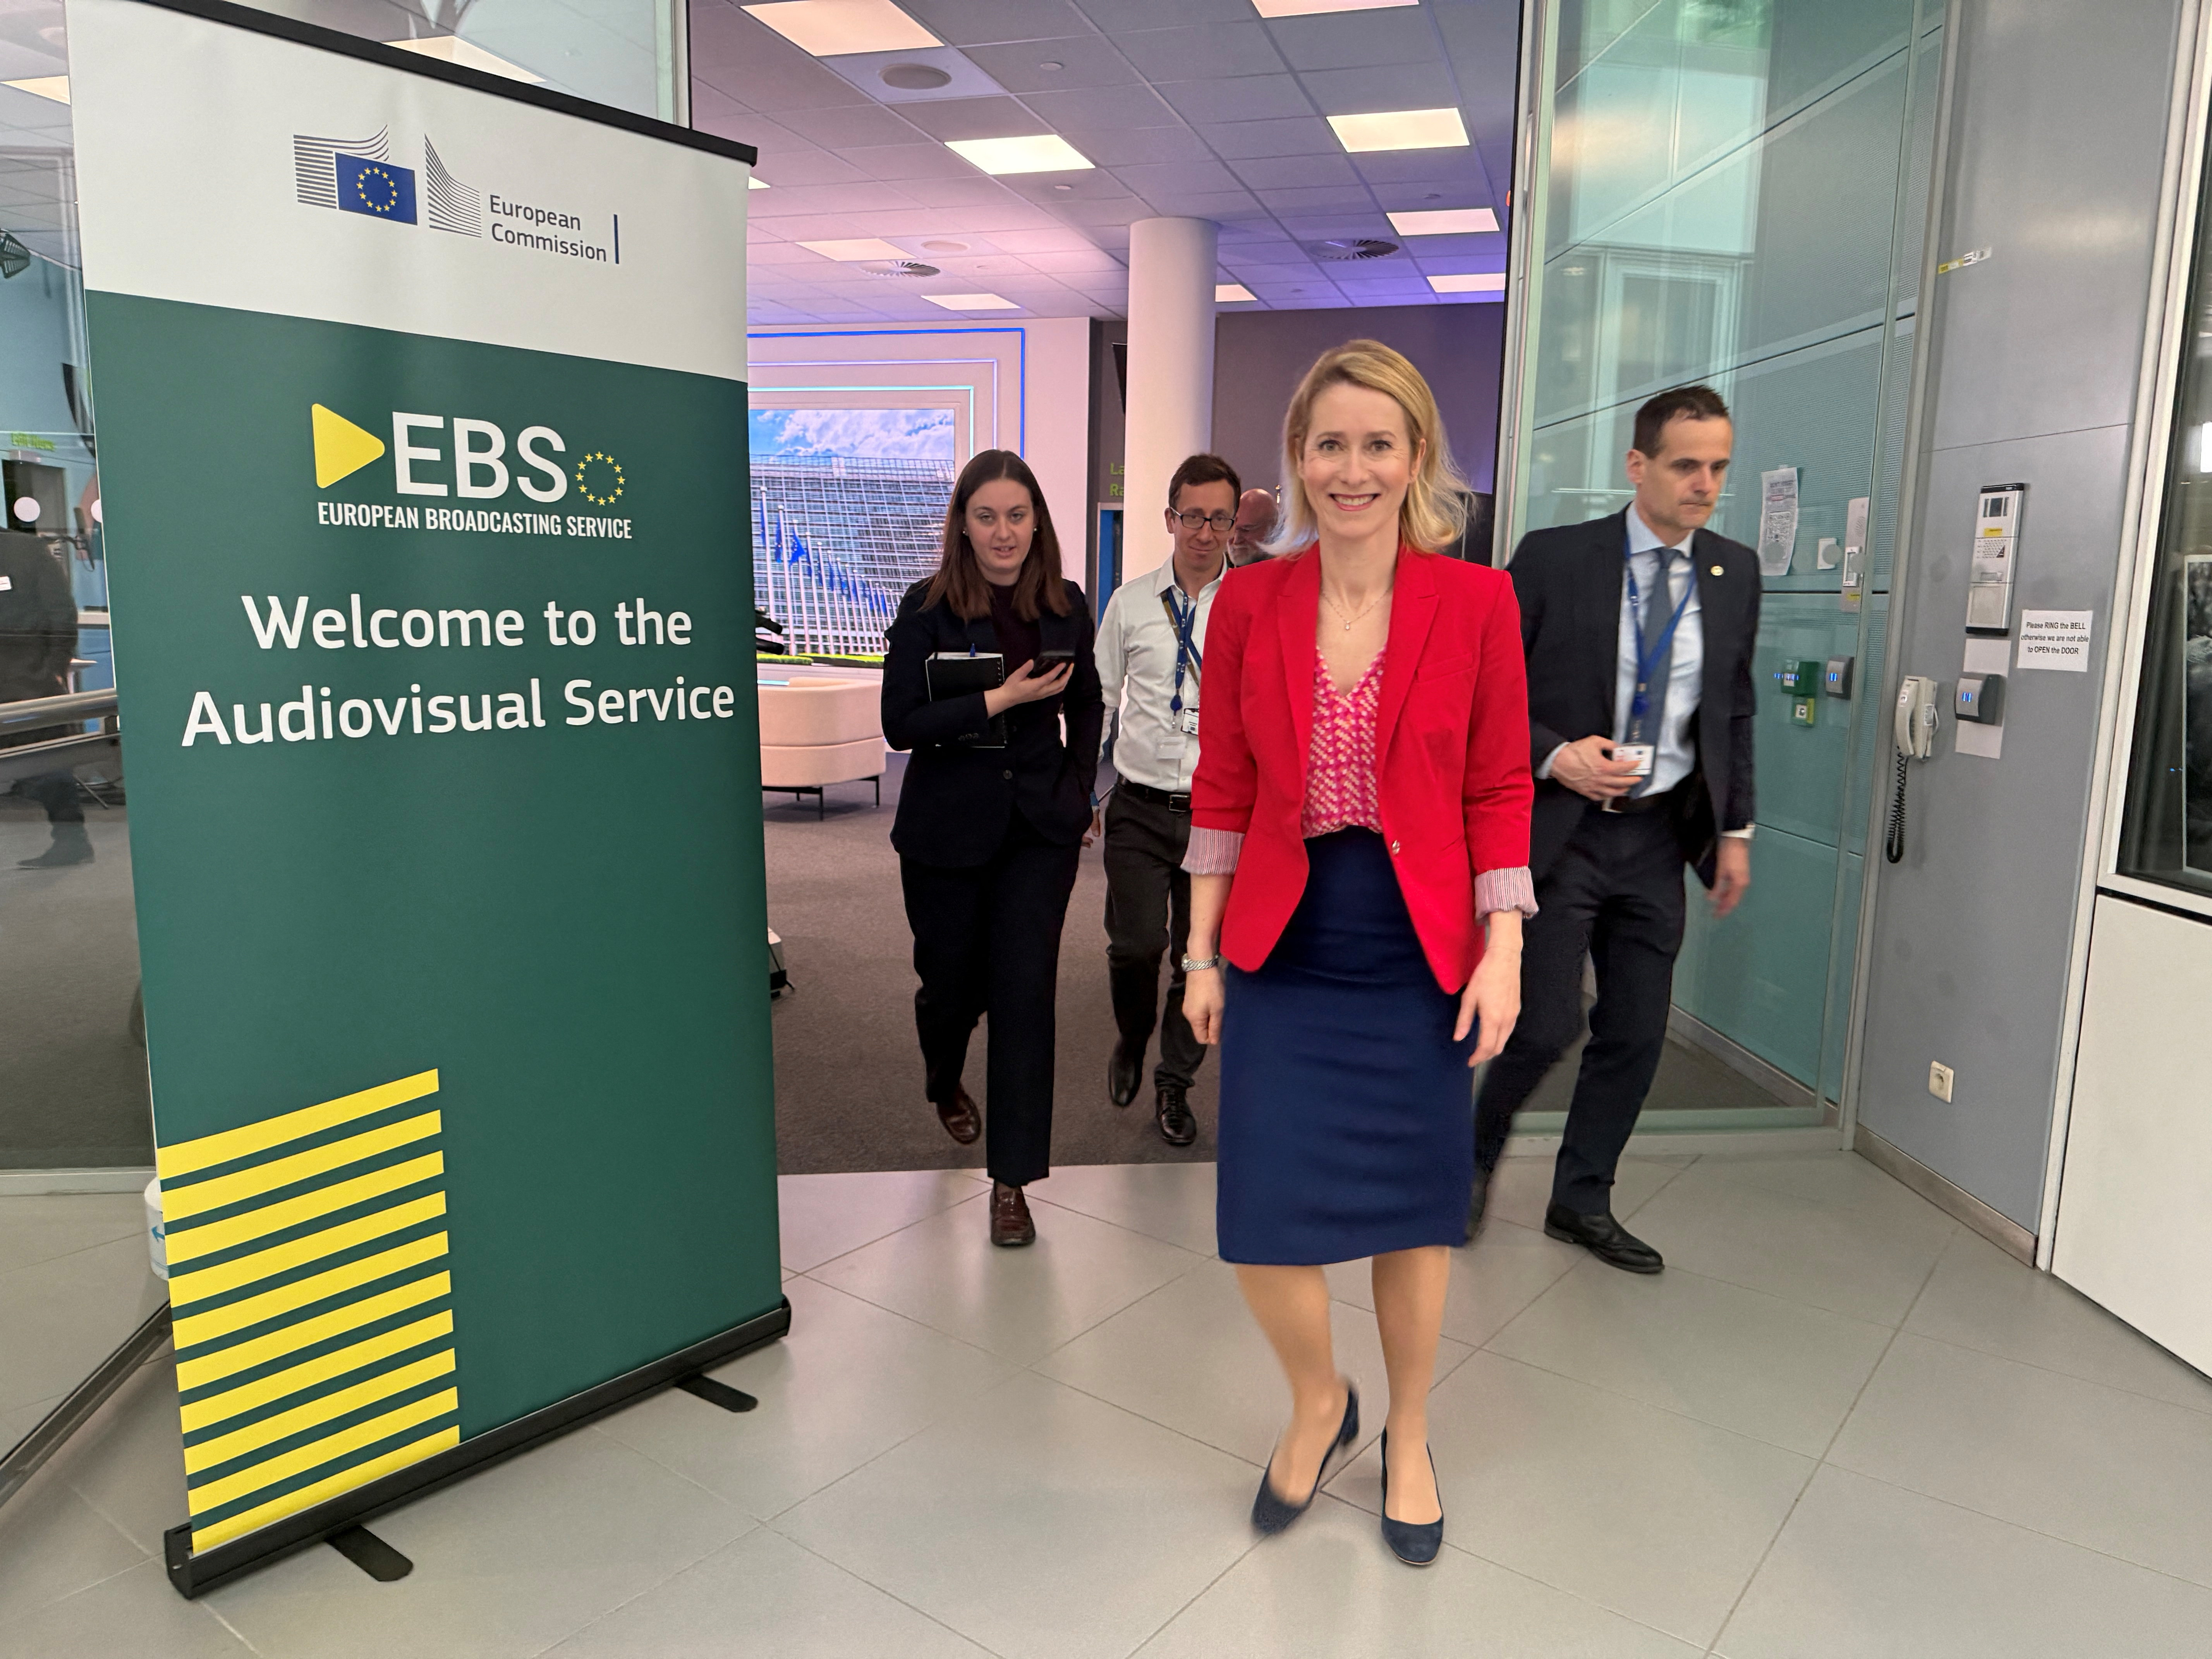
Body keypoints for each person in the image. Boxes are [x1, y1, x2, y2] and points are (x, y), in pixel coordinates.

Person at [1181, 340, 1534, 1566]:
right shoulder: (1250, 602)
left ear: (1416, 457)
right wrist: (1198, 954)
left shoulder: (1476, 603)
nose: (1351, 468)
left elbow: (1497, 787)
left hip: (1417, 946)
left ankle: (1413, 1433)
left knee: (1410, 1216)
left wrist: (1503, 953)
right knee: (1261, 1221)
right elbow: (1220, 786)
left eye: (1376, 443)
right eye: (1328, 444)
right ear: (1300, 456)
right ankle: (1319, 1401)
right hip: (1286, 940)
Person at [1469, 384, 1757, 1273]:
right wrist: (1558, 757)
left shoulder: (1734, 569)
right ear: (1638, 466)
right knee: (1544, 1023)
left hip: (1659, 837)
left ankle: (1581, 1200)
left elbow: (1734, 709)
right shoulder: (1555, 560)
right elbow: (1486, 697)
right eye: (1685, 465)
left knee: (1635, 1029)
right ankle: (1466, 1162)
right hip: (1563, 833)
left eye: (1717, 466)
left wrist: (1735, 830)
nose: (1704, 483)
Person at [882, 450, 1102, 1248]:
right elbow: (900, 723)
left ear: (1037, 520)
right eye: (987, 516)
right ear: (963, 525)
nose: (1003, 532)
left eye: (1016, 515)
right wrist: (998, 699)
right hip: (945, 832)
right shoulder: (926, 608)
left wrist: (1079, 792)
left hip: (1038, 835)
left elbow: (1088, 706)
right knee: (951, 989)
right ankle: (943, 1073)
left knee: (1023, 999)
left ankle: (1012, 1184)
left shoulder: (1067, 606)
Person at [1092, 453, 1240, 1146]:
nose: (1203, 532)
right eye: (1191, 516)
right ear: (1169, 518)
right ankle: (1129, 1034)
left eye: (1217, 517)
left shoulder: (1254, 603)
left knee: (1197, 954)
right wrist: (1085, 793)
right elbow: (1098, 700)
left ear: (1234, 523)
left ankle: (1173, 1084)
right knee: (1135, 944)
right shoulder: (1129, 603)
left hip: (1217, 815)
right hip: (1139, 806)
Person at [1227, 487, 1277, 567]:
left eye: (1246, 530)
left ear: (1274, 529)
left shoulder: (1293, 575)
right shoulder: (1220, 575)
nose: (1236, 541)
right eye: (1232, 530)